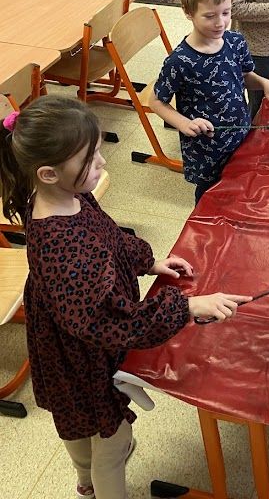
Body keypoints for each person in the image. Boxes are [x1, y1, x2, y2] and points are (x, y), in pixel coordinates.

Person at [0, 96, 249, 499]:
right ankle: (100, 485)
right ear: (48, 173)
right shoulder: (64, 249)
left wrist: (148, 262)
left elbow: (109, 237)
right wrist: (186, 306)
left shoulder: (61, 197)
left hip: (64, 342)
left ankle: (85, 479)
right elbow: (110, 323)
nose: (102, 163)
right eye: (91, 159)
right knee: (112, 441)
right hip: (82, 359)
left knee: (75, 422)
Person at [149, 0, 269, 204]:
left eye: (226, 13)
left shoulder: (236, 41)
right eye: (210, 16)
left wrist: (265, 84)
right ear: (188, 12)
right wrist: (184, 123)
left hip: (240, 132)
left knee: (238, 184)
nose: (220, 23)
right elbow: (156, 101)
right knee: (209, 195)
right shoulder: (180, 61)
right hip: (207, 149)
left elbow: (244, 77)